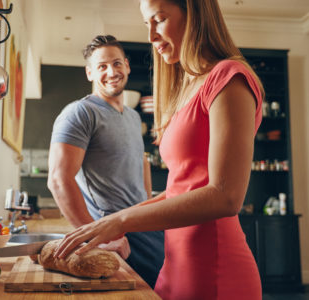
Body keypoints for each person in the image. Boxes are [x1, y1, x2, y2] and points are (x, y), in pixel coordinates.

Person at [53, 1, 265, 299]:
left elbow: (226, 196)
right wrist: (107, 224)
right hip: (176, 263)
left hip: (215, 268)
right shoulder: (188, 87)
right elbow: (182, 188)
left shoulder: (228, 77)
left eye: (160, 19)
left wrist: (120, 220)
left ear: (195, 13)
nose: (151, 36)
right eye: (146, 24)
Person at [47, 35, 165, 288]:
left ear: (127, 66)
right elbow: (58, 180)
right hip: (114, 233)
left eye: (117, 63)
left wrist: (144, 210)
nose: (111, 72)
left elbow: (141, 161)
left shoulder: (133, 117)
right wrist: (96, 239)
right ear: (89, 73)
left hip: (145, 228)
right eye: (102, 66)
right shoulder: (80, 113)